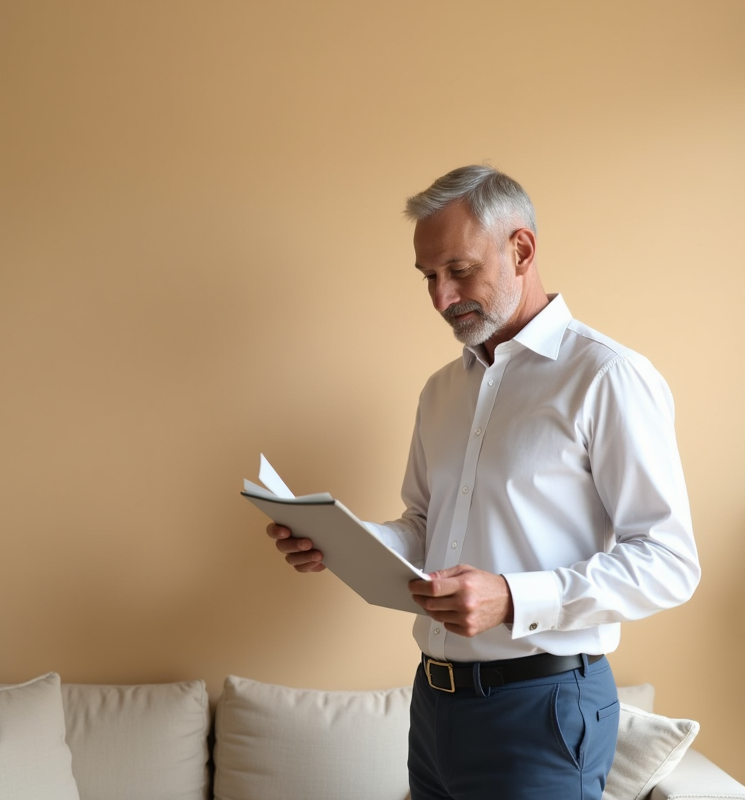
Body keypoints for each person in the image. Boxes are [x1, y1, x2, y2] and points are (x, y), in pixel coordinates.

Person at [265, 165, 700, 800]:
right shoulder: (441, 391)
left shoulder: (607, 377)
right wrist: (342, 544)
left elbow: (670, 562)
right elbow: (424, 529)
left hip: (543, 711)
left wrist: (514, 598)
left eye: (459, 270)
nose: (441, 298)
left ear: (521, 249)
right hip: (433, 706)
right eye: (428, 277)